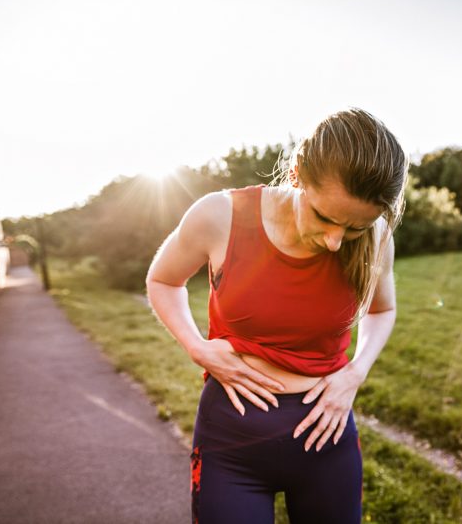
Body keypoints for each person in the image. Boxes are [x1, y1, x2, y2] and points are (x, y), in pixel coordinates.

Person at [145, 107, 408, 524]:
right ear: (297, 173)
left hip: (329, 439)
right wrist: (197, 347)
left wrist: (356, 373)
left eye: (354, 228)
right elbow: (163, 281)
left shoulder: (376, 238)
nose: (336, 242)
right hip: (232, 443)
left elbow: (383, 309)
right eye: (324, 217)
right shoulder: (220, 216)